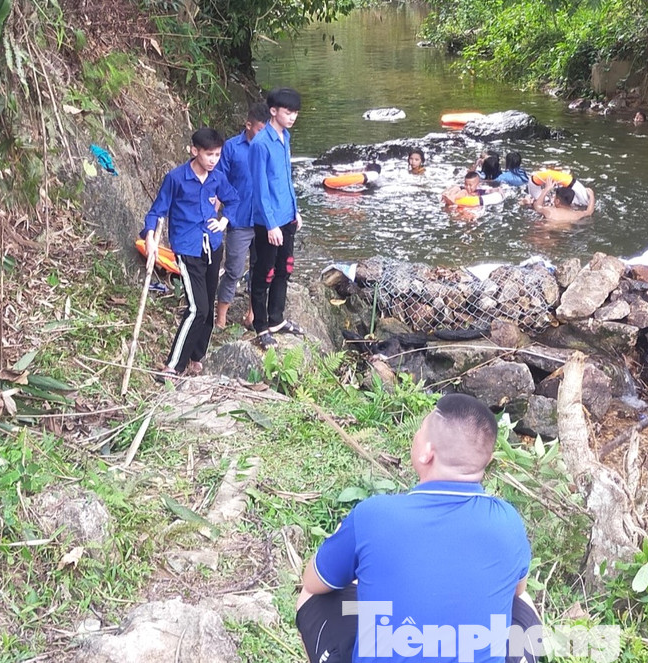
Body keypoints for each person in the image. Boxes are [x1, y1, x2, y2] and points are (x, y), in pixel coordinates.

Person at [296, 393, 540, 663]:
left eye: (419, 431)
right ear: (488, 460)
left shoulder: (373, 515)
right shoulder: (509, 522)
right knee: (523, 604)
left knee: (313, 597)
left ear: (426, 453)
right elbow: (516, 590)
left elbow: (313, 582)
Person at [142, 127, 240, 377]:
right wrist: (151, 238)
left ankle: (197, 356)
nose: (213, 160)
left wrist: (224, 221)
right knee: (198, 308)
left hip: (213, 246)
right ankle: (173, 366)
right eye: (209, 155)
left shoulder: (217, 178)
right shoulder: (176, 178)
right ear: (194, 151)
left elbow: (234, 199)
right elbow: (157, 211)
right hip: (187, 249)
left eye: (217, 155)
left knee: (208, 303)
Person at [247, 87, 303, 343]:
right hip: (268, 221)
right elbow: (259, 188)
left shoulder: (286, 137)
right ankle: (260, 326)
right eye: (288, 112)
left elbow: (285, 179)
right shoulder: (260, 143)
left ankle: (276, 319)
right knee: (264, 273)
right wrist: (270, 225)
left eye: (295, 113)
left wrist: (295, 210)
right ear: (273, 111)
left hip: (286, 215)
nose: (292, 117)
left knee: (284, 268)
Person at [214, 99, 270, 329]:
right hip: (237, 219)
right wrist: (213, 214)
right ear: (248, 125)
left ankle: (252, 314)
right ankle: (221, 318)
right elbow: (219, 182)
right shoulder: (231, 148)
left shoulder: (269, 147)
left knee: (260, 270)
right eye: (259, 130)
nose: (262, 135)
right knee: (233, 269)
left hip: (264, 220)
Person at [530, 178, 595, 223]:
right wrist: (591, 195)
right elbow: (589, 212)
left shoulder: (550, 211)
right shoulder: (575, 215)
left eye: (554, 197)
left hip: (547, 230)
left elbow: (537, 205)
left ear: (557, 201)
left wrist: (546, 189)